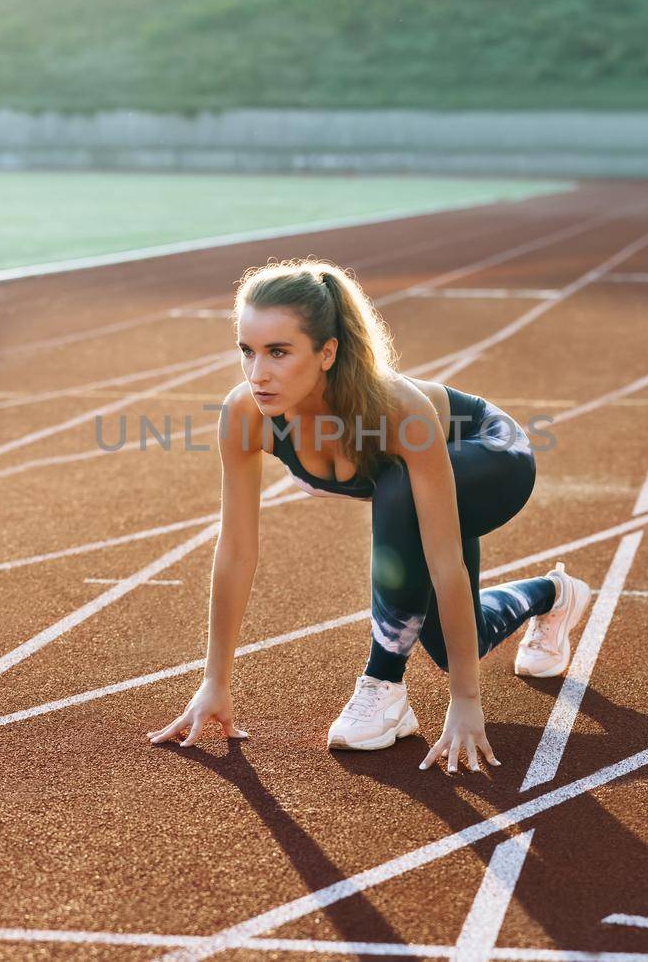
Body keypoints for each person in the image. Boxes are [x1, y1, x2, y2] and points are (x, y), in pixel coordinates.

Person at [147, 257, 590, 774]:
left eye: (279, 352)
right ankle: (553, 594)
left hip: (491, 456)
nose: (257, 373)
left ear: (327, 352)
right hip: (416, 489)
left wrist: (465, 701)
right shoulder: (247, 413)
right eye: (247, 351)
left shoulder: (395, 410)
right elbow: (237, 550)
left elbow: (446, 562)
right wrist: (214, 681)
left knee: (397, 488)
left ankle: (384, 687)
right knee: (451, 646)